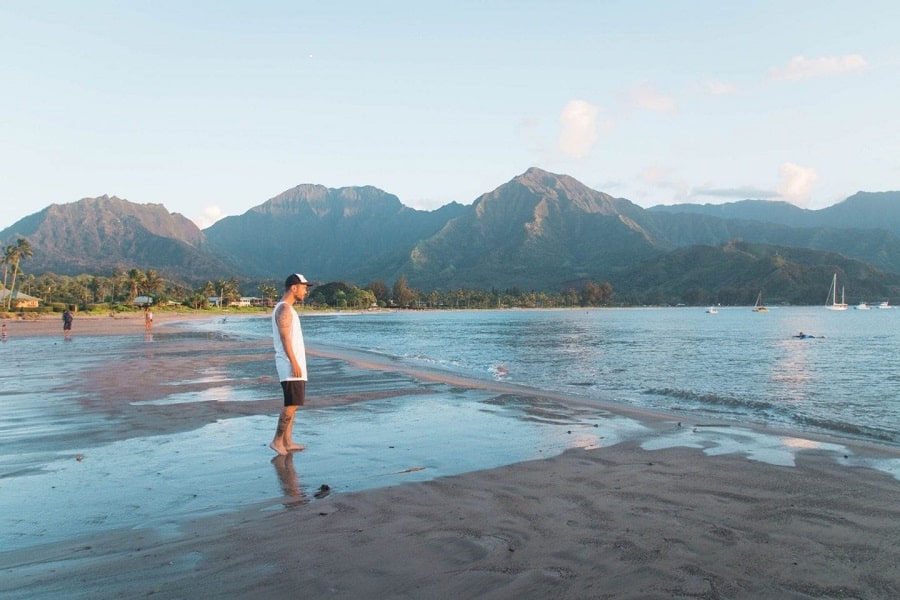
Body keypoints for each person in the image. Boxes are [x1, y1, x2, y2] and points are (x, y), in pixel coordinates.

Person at [270, 273, 314, 455]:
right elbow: (285, 338)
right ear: (294, 288)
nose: (305, 291)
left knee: (293, 403)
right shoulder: (284, 309)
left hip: (292, 364)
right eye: (304, 287)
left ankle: (287, 441)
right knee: (291, 405)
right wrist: (294, 363)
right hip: (289, 365)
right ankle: (277, 440)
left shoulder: (287, 308)